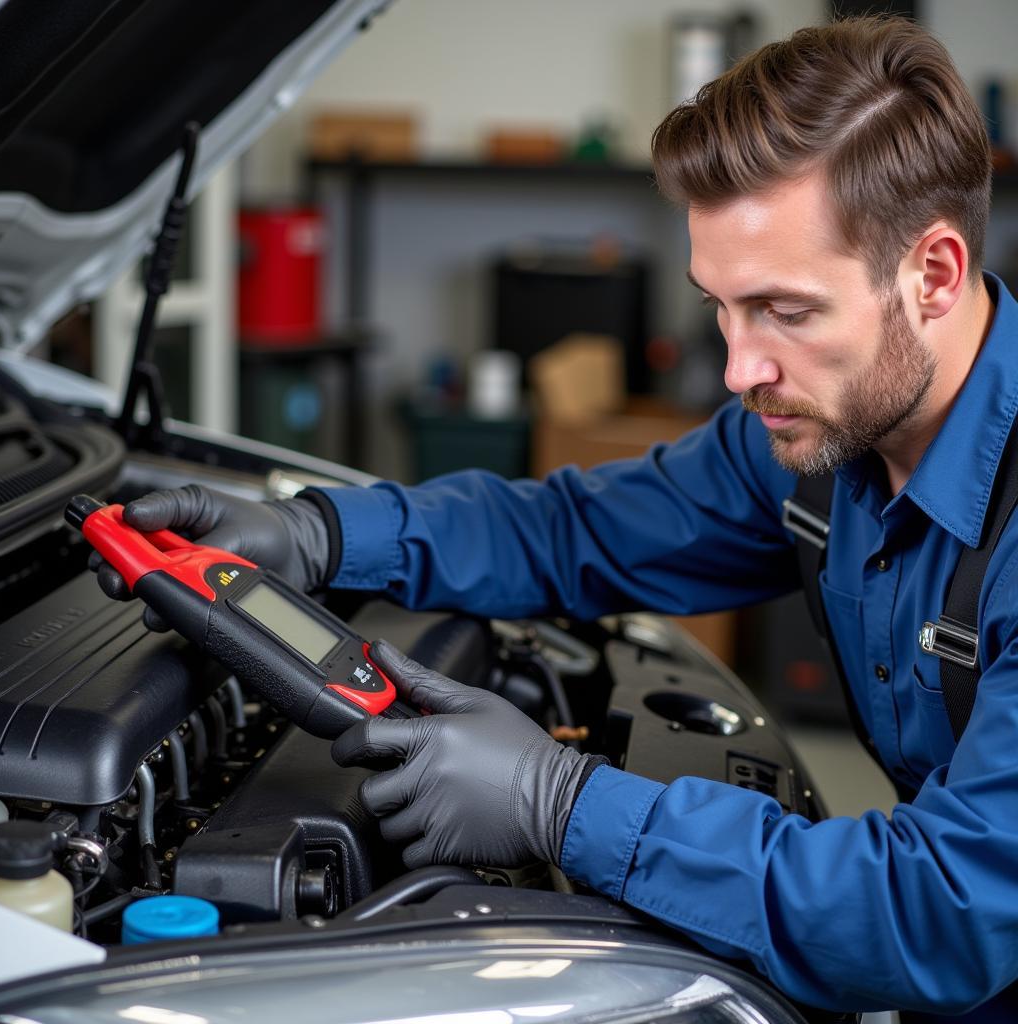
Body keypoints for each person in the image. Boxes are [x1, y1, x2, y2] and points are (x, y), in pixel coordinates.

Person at [95, 15, 1018, 1022]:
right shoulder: (809, 435)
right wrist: (319, 532)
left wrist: (563, 805)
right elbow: (570, 528)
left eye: (785, 312)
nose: (738, 370)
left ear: (930, 273)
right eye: (719, 305)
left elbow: (940, 908)